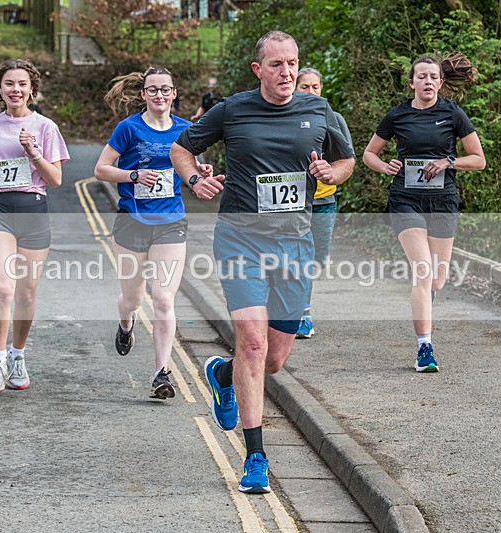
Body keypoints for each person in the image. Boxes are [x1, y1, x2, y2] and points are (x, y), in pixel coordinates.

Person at [170, 31, 354, 493]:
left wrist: (332, 173)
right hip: (241, 241)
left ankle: (222, 374)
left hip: (295, 244)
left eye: (292, 63)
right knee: (251, 342)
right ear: (259, 70)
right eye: (276, 65)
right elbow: (181, 146)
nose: (287, 72)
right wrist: (194, 178)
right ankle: (255, 456)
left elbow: (346, 160)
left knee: (272, 359)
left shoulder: (319, 111)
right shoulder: (233, 109)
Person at [362, 53, 486, 373]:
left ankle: (422, 310)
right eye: (422, 76)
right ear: (412, 82)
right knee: (423, 271)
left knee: (438, 280)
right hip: (405, 200)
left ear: (441, 83)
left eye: (433, 76)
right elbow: (369, 154)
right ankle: (424, 347)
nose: (428, 81)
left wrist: (449, 162)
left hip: (443, 200)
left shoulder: (452, 113)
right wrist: (384, 166)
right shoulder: (398, 115)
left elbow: (478, 159)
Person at [94, 66, 212, 400]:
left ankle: (161, 373)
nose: (159, 95)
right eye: (153, 90)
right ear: (143, 95)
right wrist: (133, 175)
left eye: (165, 90)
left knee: (163, 298)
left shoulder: (186, 130)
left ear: (174, 94)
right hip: (131, 222)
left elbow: (190, 167)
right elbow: (101, 169)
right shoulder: (128, 128)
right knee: (133, 298)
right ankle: (126, 323)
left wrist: (201, 171)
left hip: (170, 223)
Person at [0, 59, 69, 392]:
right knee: (5, 288)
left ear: (32, 89)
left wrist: (33, 152)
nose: (16, 89)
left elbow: (55, 180)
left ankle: (18, 355)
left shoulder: (45, 127)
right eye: (9, 83)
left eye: (22, 84)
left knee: (26, 293)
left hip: (33, 213)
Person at [293, 67, 353, 339]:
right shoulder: (285, 116)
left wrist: (332, 171)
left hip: (324, 199)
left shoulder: (333, 117)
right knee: (297, 258)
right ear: (294, 88)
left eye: (315, 87)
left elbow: (347, 157)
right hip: (293, 202)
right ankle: (302, 312)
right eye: (305, 86)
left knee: (317, 259)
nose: (311, 92)